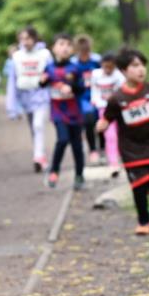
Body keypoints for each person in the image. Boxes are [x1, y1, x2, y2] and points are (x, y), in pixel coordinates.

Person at [96, 48, 149, 235]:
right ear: (123, 70)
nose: (141, 70)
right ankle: (143, 222)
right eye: (135, 66)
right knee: (138, 187)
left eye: (143, 65)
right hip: (131, 150)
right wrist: (102, 124)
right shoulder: (117, 98)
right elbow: (107, 118)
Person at [39, 33, 86, 189]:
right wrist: (42, 81)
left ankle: (79, 176)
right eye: (61, 44)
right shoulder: (49, 67)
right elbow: (42, 84)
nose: (64, 47)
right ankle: (54, 171)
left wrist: (71, 87)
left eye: (68, 45)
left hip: (75, 113)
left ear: (72, 49)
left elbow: (81, 88)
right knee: (62, 140)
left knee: (77, 145)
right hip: (58, 112)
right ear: (54, 48)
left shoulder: (75, 68)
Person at [8, 27, 52, 172]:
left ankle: (38, 156)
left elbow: (52, 74)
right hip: (25, 98)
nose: (25, 42)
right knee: (34, 128)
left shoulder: (45, 55)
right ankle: (39, 154)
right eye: (22, 39)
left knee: (38, 125)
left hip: (41, 96)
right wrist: (12, 107)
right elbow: (12, 81)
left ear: (34, 38)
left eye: (28, 38)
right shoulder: (17, 57)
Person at [89, 52, 126, 178]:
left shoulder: (119, 77)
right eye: (105, 67)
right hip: (103, 109)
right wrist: (95, 100)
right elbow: (94, 89)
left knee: (121, 134)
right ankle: (113, 163)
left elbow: (122, 93)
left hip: (118, 110)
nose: (108, 70)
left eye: (111, 67)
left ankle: (123, 157)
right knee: (110, 136)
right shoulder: (96, 74)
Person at [71, 34, 102, 164]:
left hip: (98, 94)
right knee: (88, 120)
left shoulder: (96, 60)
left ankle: (103, 148)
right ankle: (93, 150)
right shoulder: (73, 63)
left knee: (101, 120)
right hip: (82, 97)